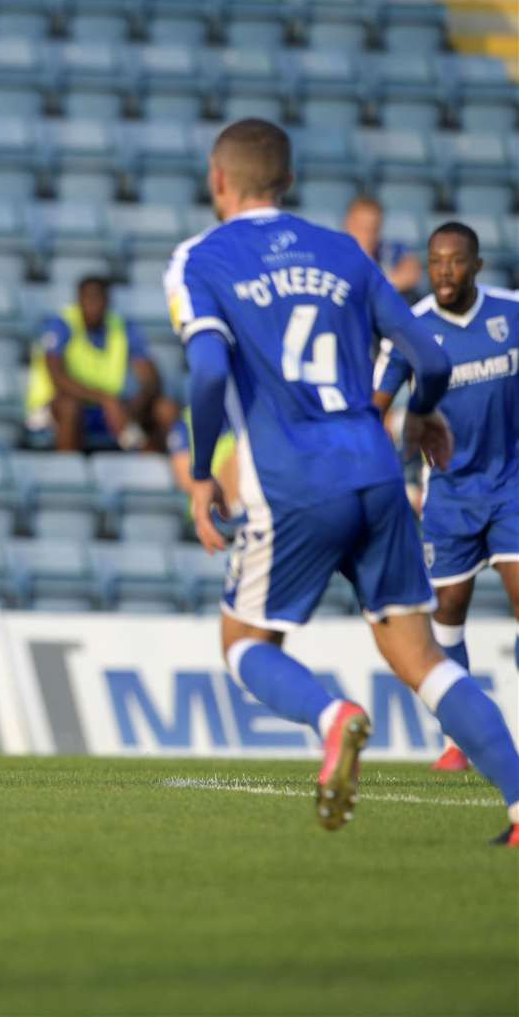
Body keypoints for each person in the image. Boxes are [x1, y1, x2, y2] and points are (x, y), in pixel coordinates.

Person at [170, 117, 519, 845]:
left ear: (218, 180)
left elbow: (206, 372)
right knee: (421, 659)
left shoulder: (200, 259)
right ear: (288, 180)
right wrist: (422, 417)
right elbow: (428, 357)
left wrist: (204, 475)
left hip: (292, 478)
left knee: (244, 642)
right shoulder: (345, 253)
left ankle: (333, 719)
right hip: (375, 471)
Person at [373, 221, 519, 773]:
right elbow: (377, 402)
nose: (444, 272)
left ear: (476, 265)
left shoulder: (511, 314)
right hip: (451, 495)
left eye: (455, 261)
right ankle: (460, 738)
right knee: (448, 613)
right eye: (435, 261)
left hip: (511, 483)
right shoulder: (411, 329)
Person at [25, 275, 178, 452]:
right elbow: (58, 378)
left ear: (108, 301)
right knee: (69, 407)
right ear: (79, 300)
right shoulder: (62, 325)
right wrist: (106, 399)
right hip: (56, 410)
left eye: (98, 298)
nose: (93, 304)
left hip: (107, 410)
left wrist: (136, 406)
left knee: (165, 409)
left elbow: (150, 377)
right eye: (88, 298)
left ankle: (156, 471)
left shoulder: (122, 327)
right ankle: (67, 470)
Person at [343, 195, 423, 298]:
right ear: (347, 223)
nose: (367, 234)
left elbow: (412, 273)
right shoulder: (334, 252)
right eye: (361, 226)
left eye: (373, 228)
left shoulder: (391, 250)